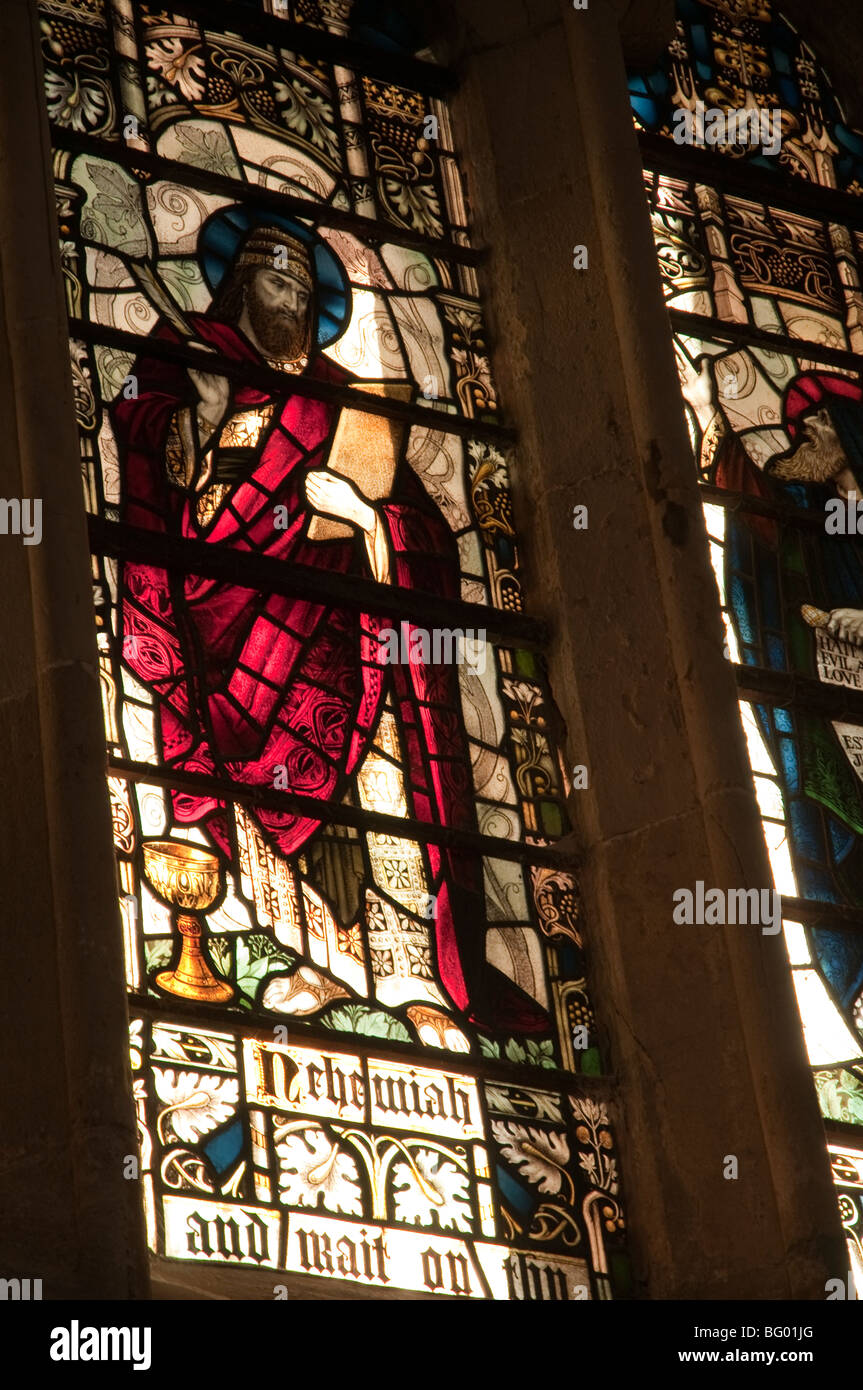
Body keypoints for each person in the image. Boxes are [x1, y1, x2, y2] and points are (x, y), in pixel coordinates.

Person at [115, 220, 548, 1033]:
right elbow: (144, 440)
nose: (294, 304)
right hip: (227, 621)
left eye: (307, 295)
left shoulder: (332, 390)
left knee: (371, 793)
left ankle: (407, 979)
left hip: (340, 634)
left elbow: (413, 521)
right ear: (241, 287)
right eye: (279, 286)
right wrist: (196, 426)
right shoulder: (188, 351)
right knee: (260, 801)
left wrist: (368, 519)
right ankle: (316, 964)